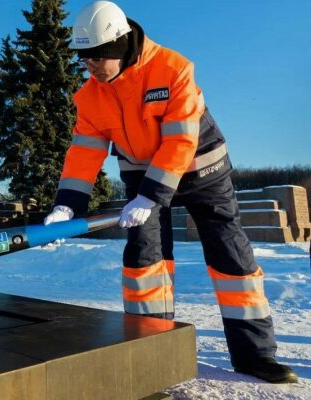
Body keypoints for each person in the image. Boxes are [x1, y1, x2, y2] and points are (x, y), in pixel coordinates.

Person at [44, 1, 297, 383]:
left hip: (202, 172)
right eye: (85, 59)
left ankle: (256, 356)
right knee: (143, 260)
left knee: (231, 257)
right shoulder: (90, 96)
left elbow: (180, 140)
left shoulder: (173, 69)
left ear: (120, 45)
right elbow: (84, 152)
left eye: (98, 58)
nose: (91, 67)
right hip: (142, 177)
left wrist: (151, 197)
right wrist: (66, 206)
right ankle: (149, 351)